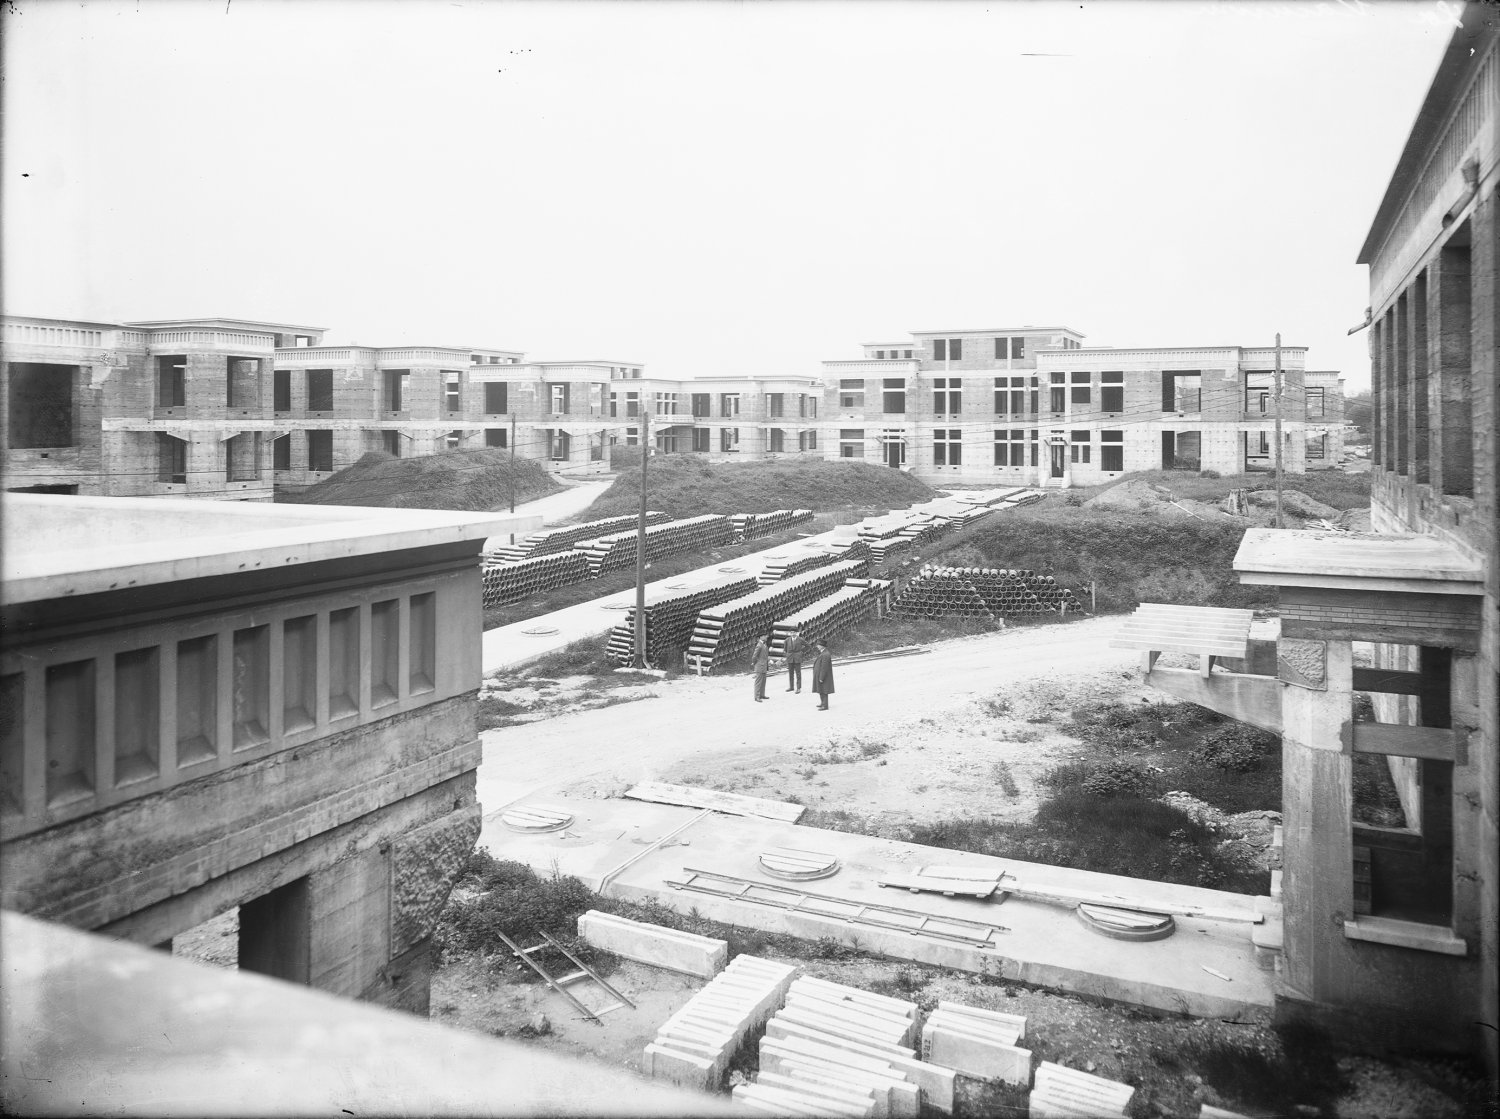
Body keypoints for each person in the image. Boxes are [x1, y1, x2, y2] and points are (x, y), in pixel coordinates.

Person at [811, 640, 834, 711]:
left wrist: (821, 677)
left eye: (818, 645)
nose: (817, 646)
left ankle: (825, 705)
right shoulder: (823, 653)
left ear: (822, 646)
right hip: (820, 675)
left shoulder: (826, 654)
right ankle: (822, 703)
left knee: (824, 690)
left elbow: (824, 667)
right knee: (820, 689)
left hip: (823, 676)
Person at [783, 627, 806, 693]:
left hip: (797, 658)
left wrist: (801, 652)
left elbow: (808, 646)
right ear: (790, 633)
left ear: (797, 633)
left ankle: (798, 688)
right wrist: (787, 655)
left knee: (798, 673)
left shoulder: (800, 639)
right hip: (790, 658)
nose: (793, 634)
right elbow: (785, 649)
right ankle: (791, 687)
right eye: (792, 632)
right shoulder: (787, 640)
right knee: (790, 673)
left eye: (794, 632)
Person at [751, 632, 770, 702]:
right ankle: (757, 697)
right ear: (761, 637)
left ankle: (762, 695)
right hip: (760, 666)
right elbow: (754, 657)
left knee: (763, 681)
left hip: (764, 666)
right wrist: (755, 663)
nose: (766, 637)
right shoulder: (759, 645)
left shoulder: (764, 644)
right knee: (758, 682)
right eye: (765, 636)